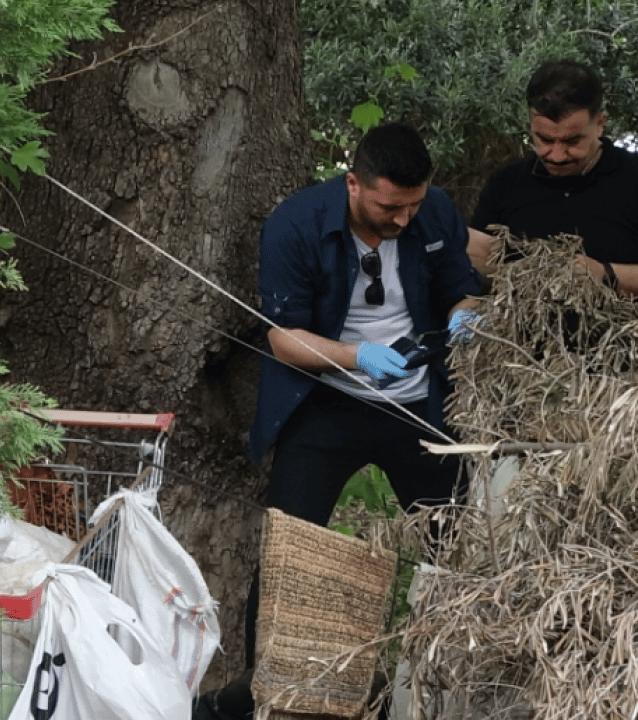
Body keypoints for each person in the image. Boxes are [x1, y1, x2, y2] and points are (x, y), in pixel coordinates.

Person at [193, 123, 481, 720]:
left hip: (419, 404)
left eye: (413, 205)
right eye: (388, 206)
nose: (402, 219)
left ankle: (454, 687)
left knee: (456, 545)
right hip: (325, 399)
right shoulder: (297, 223)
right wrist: (357, 358)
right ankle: (261, 697)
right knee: (289, 553)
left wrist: (464, 316)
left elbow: (462, 287)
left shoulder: (434, 213)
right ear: (353, 185)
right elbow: (282, 338)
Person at [468, 59, 638, 301]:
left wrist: (604, 274)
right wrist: (524, 276)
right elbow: (471, 262)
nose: (557, 156)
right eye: (545, 140)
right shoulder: (506, 182)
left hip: (618, 335)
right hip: (516, 335)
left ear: (600, 124)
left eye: (572, 142)